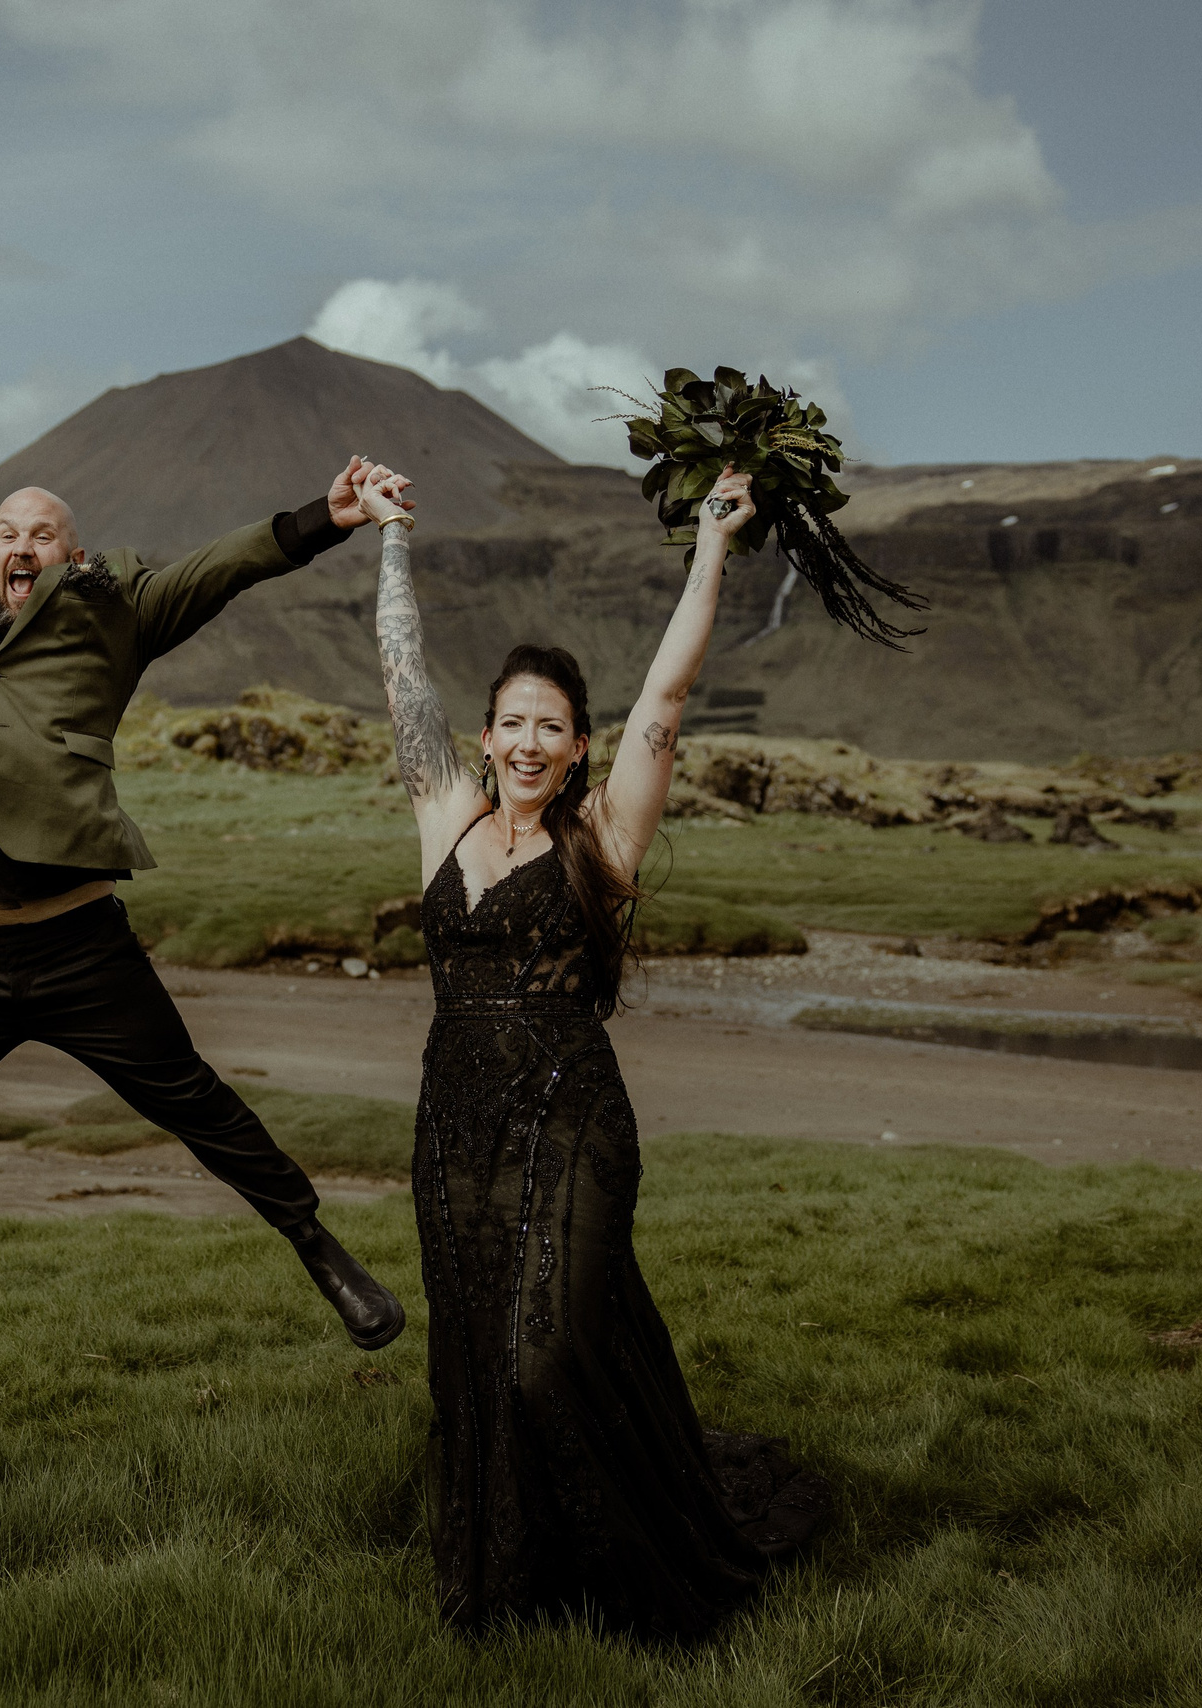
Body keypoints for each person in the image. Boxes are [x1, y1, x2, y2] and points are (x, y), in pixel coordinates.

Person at [0, 297, 409, 1357]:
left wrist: (328, 515)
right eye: (6, 529)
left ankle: (317, 1246)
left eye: (40, 532)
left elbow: (229, 562)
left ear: (70, 553)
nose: (19, 543)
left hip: (75, 945)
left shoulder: (119, 609)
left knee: (194, 1099)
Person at [354, 462, 829, 1640]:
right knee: (476, 1365)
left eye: (549, 727)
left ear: (577, 749)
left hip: (571, 1122)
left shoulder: (603, 835)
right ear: (487, 736)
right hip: (453, 1128)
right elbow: (401, 675)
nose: (526, 742)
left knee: (544, 1356)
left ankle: (648, 1574)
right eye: (510, 722)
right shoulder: (445, 819)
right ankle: (525, 1582)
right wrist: (392, 540)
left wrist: (713, 545)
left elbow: (669, 692)